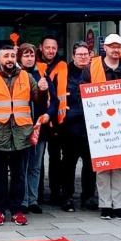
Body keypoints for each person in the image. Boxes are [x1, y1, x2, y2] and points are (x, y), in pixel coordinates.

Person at [0, 45, 46, 226]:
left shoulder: (26, 77)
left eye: (12, 56)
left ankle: (17, 210)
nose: (10, 59)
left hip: (21, 135)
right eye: (6, 56)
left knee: (19, 175)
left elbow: (39, 102)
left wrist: (43, 90)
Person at [84, 34, 121, 219]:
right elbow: (84, 92)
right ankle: (105, 205)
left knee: (119, 167)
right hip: (100, 124)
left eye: (118, 46)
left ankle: (118, 205)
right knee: (102, 167)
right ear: (105, 48)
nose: (115, 49)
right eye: (112, 46)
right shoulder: (92, 66)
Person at [19, 43, 58, 214]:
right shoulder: (16, 75)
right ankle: (22, 199)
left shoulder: (42, 75)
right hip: (20, 128)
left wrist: (49, 114)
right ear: (20, 57)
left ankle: (32, 200)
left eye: (32, 55)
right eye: (25, 55)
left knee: (35, 166)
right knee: (21, 166)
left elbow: (55, 100)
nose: (29, 58)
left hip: (39, 127)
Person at [61, 41, 95, 212]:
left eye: (86, 54)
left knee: (90, 165)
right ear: (73, 56)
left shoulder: (95, 72)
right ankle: (67, 197)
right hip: (70, 127)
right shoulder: (64, 73)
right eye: (79, 54)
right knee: (68, 164)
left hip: (91, 128)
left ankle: (88, 197)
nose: (83, 57)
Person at [37, 36, 68, 206]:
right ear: (41, 47)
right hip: (40, 118)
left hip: (57, 119)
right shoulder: (33, 65)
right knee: (38, 158)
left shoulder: (63, 66)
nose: (50, 50)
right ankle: (38, 193)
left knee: (56, 158)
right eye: (47, 47)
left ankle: (56, 192)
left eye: (53, 48)